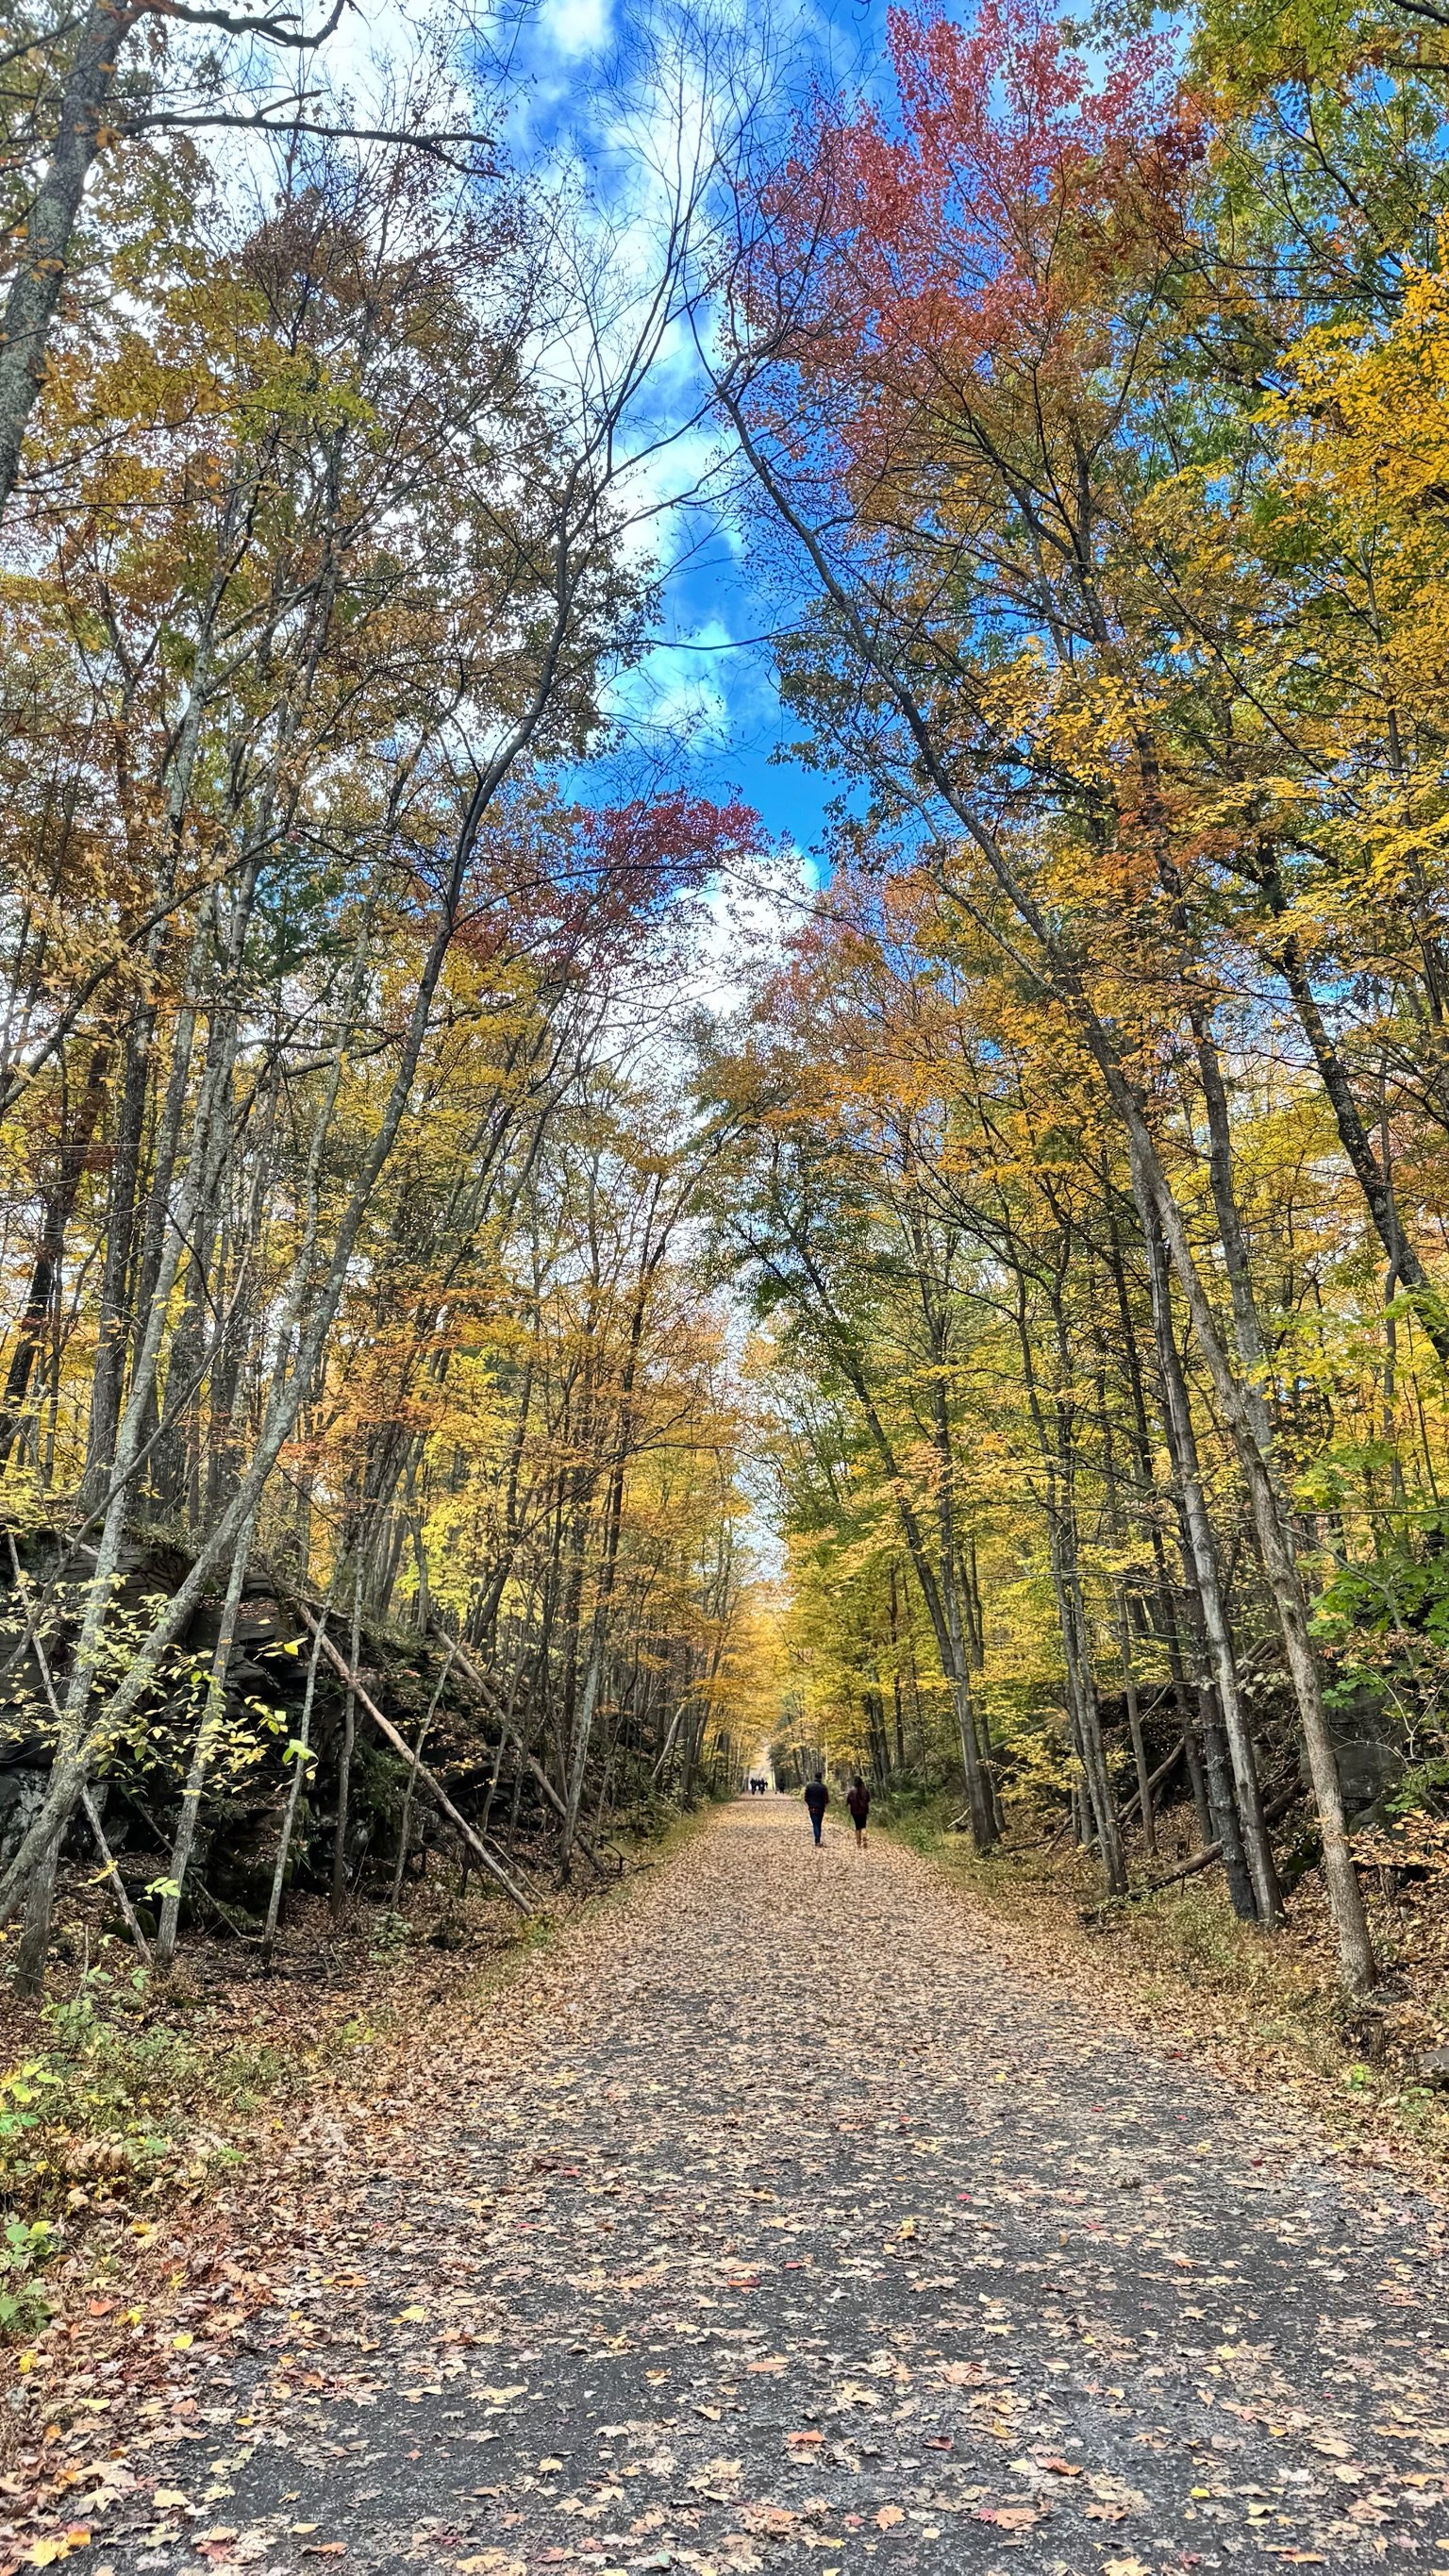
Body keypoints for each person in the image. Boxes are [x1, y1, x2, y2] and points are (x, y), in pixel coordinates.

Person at [803, 1774, 829, 1845]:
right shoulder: (824, 1787)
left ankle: (817, 1840)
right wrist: (824, 1804)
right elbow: (826, 1799)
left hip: (812, 1808)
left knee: (815, 1824)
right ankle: (818, 1839)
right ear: (821, 1778)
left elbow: (805, 1797)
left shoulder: (809, 1786)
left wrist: (809, 1804)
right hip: (821, 1808)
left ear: (814, 1777)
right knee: (819, 1823)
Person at [845, 1775, 871, 1849]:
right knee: (863, 1826)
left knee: (857, 1826)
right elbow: (868, 1800)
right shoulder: (865, 1790)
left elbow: (848, 1801)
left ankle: (858, 1843)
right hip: (864, 1811)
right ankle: (865, 1838)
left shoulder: (851, 1791)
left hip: (855, 1811)